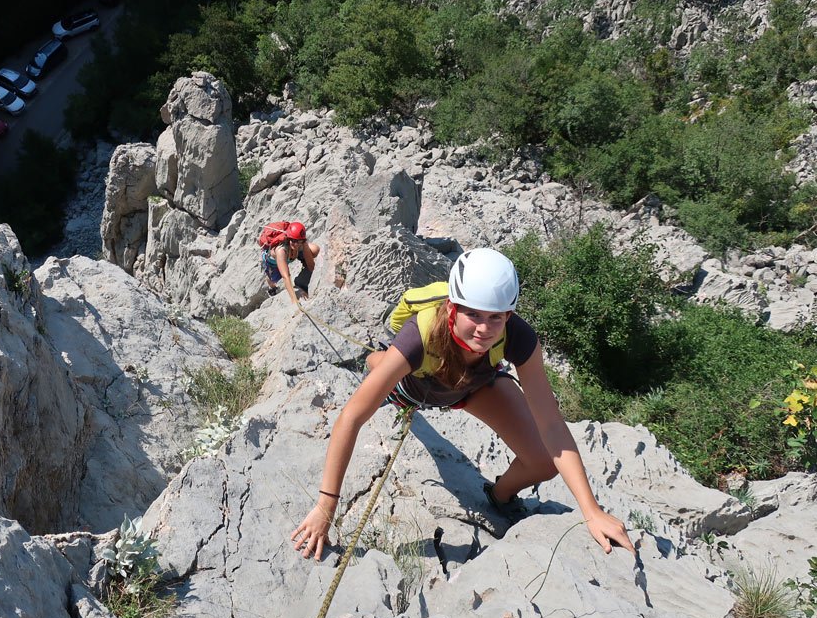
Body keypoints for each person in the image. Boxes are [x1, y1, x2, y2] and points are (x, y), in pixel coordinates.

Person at [290, 248, 632, 560]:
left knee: (544, 462)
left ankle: (500, 496)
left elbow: (552, 425)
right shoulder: (419, 336)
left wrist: (591, 511)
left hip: (472, 386)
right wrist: (325, 507)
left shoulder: (519, 337)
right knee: (383, 369)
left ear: (509, 315)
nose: (484, 328)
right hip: (415, 386)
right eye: (473, 314)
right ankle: (375, 359)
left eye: (496, 317)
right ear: (452, 308)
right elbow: (352, 416)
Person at [262, 221, 320, 307]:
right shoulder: (281, 250)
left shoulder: (300, 243)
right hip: (273, 262)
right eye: (293, 240)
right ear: (288, 238)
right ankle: (272, 287)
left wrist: (304, 244)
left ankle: (302, 260)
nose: (296, 243)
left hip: (292, 254)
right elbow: (286, 276)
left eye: (299, 241)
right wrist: (294, 299)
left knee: (315, 249)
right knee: (273, 280)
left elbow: (311, 267)